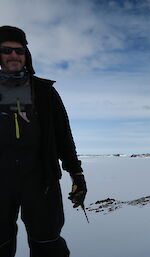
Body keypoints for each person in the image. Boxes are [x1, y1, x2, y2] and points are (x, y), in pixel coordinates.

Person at [0, 26, 87, 257]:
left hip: (40, 180)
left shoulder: (44, 92)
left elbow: (63, 137)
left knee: (47, 242)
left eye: (19, 51)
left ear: (26, 55)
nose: (13, 55)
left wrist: (76, 174)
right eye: (6, 50)